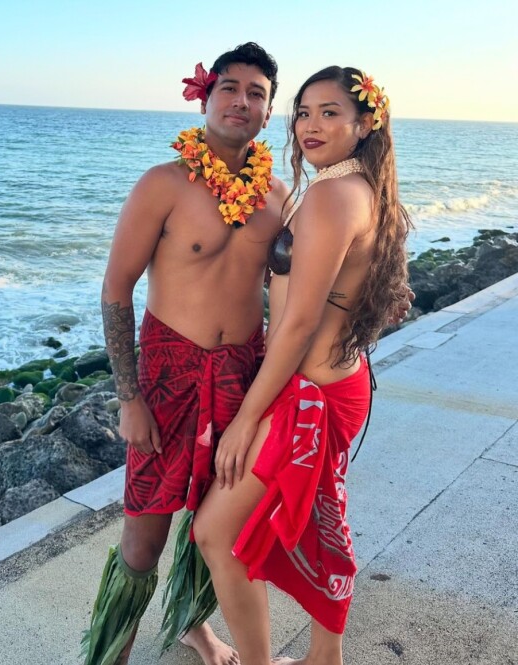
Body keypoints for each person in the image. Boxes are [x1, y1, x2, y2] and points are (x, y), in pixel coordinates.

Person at [193, 66, 412, 665]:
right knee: (316, 521)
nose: (311, 125)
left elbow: (295, 324)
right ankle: (323, 657)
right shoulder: (360, 187)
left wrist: (244, 420)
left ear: (365, 123)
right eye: (304, 111)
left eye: (330, 112)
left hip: (309, 392)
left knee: (215, 533)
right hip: (330, 382)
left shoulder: (334, 194)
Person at [81, 43, 291, 665]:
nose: (242, 101)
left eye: (256, 93)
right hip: (167, 375)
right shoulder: (163, 184)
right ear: (206, 97)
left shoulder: (279, 198)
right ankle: (108, 653)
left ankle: (191, 627)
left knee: (216, 526)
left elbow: (307, 283)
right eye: (230, 88)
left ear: (269, 110)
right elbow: (117, 289)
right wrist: (128, 397)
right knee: (143, 541)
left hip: (241, 378)